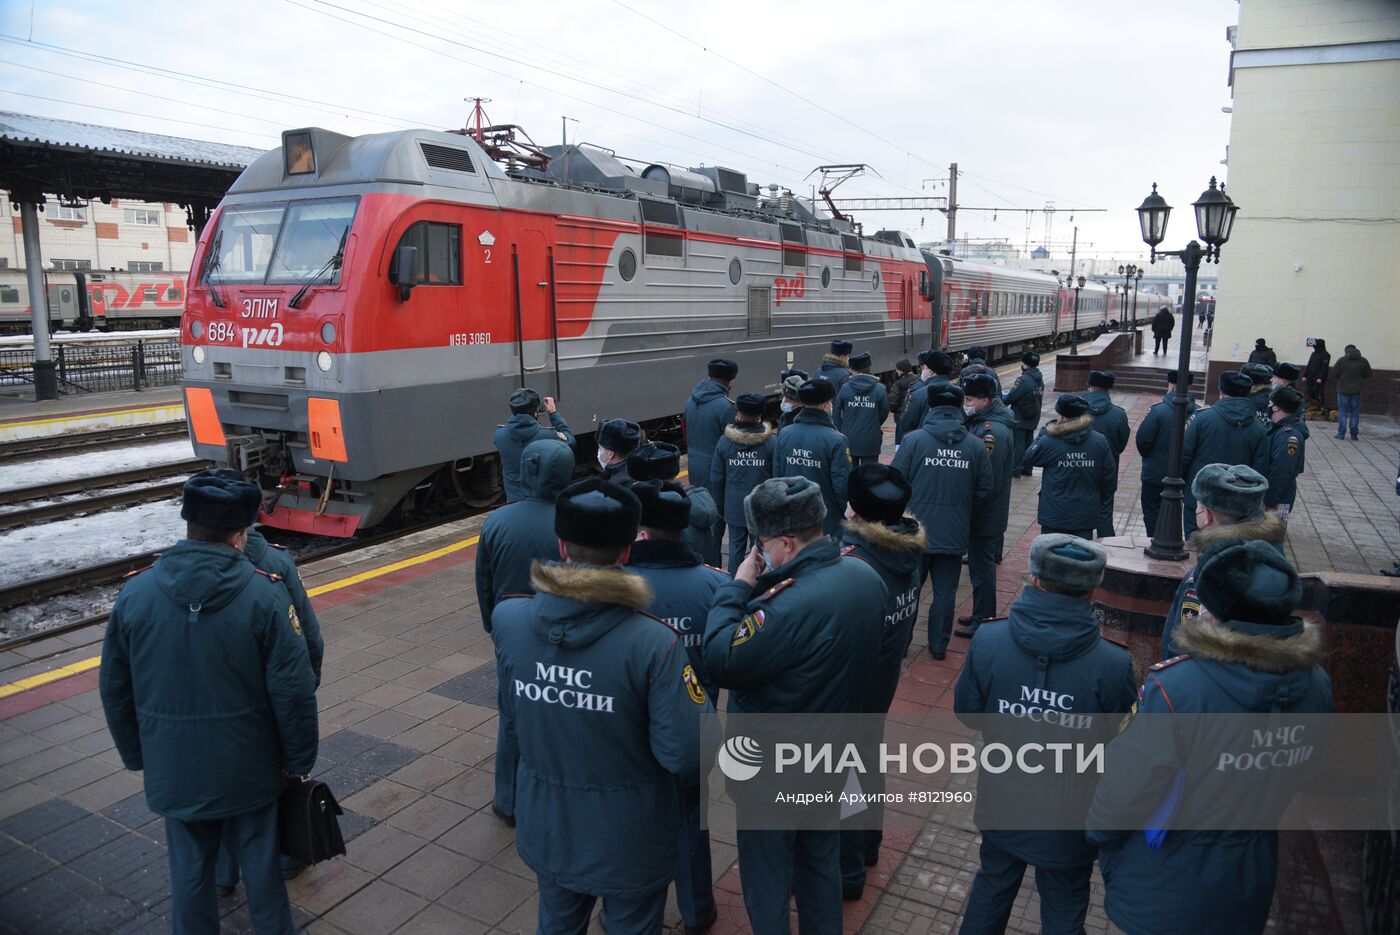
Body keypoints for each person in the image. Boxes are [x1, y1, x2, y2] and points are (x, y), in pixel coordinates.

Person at [100, 470, 318, 935]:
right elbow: (293, 689)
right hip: (250, 768)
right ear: (240, 535)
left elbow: (115, 688)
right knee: (262, 871)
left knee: (189, 873)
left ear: (189, 526)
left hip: (173, 768)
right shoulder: (266, 594)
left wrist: (138, 755)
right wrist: (298, 759)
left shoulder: (135, 594)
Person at [491, 478, 704, 935]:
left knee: (557, 923)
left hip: (548, 824)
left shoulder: (509, 620)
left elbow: (513, 712)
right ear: (627, 551)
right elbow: (686, 753)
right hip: (632, 836)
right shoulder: (656, 643)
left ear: (562, 546)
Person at [1090, 540, 1332, 935]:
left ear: (1217, 611)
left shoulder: (1179, 686)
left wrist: (1101, 840)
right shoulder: (1317, 685)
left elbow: (1124, 789)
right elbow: (1302, 777)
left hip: (1167, 879)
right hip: (1250, 876)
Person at [703, 477, 884, 935]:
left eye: (761, 543)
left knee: (766, 881)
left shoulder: (783, 606)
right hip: (832, 757)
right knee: (818, 867)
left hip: (771, 773)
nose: (758, 552)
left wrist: (738, 588)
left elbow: (721, 659)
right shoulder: (864, 576)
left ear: (785, 541)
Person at [955, 535, 1136, 935]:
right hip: (1070, 812)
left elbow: (968, 713)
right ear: (1092, 588)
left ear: (1034, 578)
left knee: (991, 888)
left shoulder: (989, 639)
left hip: (1003, 796)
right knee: (1065, 905)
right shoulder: (1113, 662)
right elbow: (1118, 739)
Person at [626, 480, 729, 935]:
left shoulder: (622, 585)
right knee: (692, 816)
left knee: (632, 820)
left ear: (640, 533)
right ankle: (698, 907)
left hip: (630, 728)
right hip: (694, 724)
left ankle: (629, 909)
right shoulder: (714, 583)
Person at [213, 472, 324, 892]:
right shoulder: (275, 564)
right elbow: (309, 641)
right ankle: (283, 859)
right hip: (264, 708)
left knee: (218, 790)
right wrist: (305, 689)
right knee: (275, 782)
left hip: (211, 713)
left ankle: (223, 875)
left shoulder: (163, 581)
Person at [475, 438, 575, 826]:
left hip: (510, 633)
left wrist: (493, 625)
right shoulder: (570, 521)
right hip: (563, 631)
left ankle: (509, 800)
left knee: (513, 715)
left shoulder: (497, 521)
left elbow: (483, 582)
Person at [837, 464, 925, 898]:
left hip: (849, 690)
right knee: (867, 760)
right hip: (882, 678)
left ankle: (848, 871)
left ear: (853, 512)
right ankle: (869, 844)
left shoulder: (853, 566)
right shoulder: (908, 550)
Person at [891, 382, 992, 659]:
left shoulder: (914, 441)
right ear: (960, 407)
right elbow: (984, 490)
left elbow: (895, 484)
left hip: (915, 532)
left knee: (909, 591)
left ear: (931, 407)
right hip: (955, 531)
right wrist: (965, 513)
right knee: (945, 593)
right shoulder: (976, 446)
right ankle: (938, 646)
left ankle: (902, 644)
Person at [1160, 463, 1284, 659]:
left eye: (1198, 507)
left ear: (1207, 516)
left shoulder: (1209, 577)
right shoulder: (1276, 564)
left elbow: (1178, 646)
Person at [954, 372, 1015, 639]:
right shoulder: (981, 422)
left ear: (985, 400)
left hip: (985, 515)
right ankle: (980, 612)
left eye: (969, 398)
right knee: (980, 569)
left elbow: (987, 481)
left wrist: (971, 511)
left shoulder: (992, 432)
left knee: (983, 569)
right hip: (983, 514)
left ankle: (984, 617)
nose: (965, 403)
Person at [1181, 372, 1270, 538]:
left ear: (1221, 391)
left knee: (1194, 543)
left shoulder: (1202, 418)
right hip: (1238, 503)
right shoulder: (1258, 427)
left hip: (1201, 498)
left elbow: (1184, 456)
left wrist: (1181, 484)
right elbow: (1260, 469)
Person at [1023, 394, 1117, 541]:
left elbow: (1029, 458)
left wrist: (1043, 432)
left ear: (1061, 417)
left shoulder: (1048, 441)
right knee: (1080, 558)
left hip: (1054, 514)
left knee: (1051, 558)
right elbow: (1109, 480)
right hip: (1085, 516)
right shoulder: (1100, 441)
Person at [774, 377, 852, 539]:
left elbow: (777, 475)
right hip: (825, 518)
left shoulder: (785, 434)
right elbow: (841, 484)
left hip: (792, 510)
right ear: (825, 405)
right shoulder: (837, 440)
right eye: (830, 402)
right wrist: (846, 513)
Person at [711, 392, 778, 573]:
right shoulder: (771, 443)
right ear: (760, 416)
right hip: (762, 507)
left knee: (736, 550)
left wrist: (719, 505)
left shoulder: (724, 442)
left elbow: (717, 477)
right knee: (762, 549)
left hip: (734, 506)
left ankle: (734, 583)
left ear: (738, 414)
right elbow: (777, 477)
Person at [628, 441, 720, 565]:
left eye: (637, 481)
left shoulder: (662, 518)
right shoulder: (699, 503)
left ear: (651, 483)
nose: (634, 484)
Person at [1135, 371, 1198, 539]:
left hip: (1155, 474)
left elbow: (1142, 441)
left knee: (1152, 511)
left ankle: (1154, 540)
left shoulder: (1158, 411)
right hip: (1184, 476)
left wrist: (1150, 458)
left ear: (1171, 385)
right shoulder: (1198, 414)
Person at [493, 388, 576, 502]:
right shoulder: (548, 435)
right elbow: (570, 439)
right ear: (536, 412)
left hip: (513, 500)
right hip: (539, 502)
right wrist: (553, 413)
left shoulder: (499, 435)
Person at [1083, 371, 1127, 537]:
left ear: (1089, 386)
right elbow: (1121, 444)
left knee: (1081, 512)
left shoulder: (1078, 411)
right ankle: (1107, 549)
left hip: (1081, 468)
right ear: (1109, 389)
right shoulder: (1119, 414)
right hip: (1108, 470)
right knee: (1105, 511)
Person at [683, 358, 738, 493]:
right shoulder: (726, 407)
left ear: (709, 377)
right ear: (730, 382)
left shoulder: (691, 400)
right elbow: (735, 445)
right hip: (716, 470)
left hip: (694, 465)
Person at [833, 351, 889, 466]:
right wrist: (873, 424)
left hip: (848, 437)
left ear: (853, 369)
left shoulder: (845, 388)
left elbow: (836, 413)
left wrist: (842, 429)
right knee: (870, 475)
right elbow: (884, 412)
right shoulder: (880, 389)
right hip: (871, 439)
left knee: (849, 474)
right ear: (869, 367)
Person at [1264, 386, 1308, 522]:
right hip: (1279, 493)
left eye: (1270, 404)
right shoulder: (1279, 429)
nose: (1268, 406)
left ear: (1276, 407)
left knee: (1275, 531)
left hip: (1280, 497)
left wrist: (1269, 500)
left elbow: (1282, 470)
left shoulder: (1289, 436)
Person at [896, 350, 954, 445]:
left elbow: (906, 423)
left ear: (931, 372)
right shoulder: (959, 393)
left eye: (924, 368)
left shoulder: (918, 394)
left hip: (923, 444)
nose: (922, 371)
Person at [1003, 352, 1044, 477]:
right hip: (1033, 415)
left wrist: (1003, 399)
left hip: (1021, 416)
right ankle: (1028, 468)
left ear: (1025, 365)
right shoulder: (1039, 379)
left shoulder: (1023, 379)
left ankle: (1016, 469)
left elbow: (1011, 397)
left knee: (1018, 443)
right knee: (1029, 442)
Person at [1331, 343, 1372, 440]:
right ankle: (1354, 434)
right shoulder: (1363, 361)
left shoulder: (1341, 360)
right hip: (1357, 390)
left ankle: (1341, 433)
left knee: (1343, 412)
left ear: (1346, 351)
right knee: (1355, 412)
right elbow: (1368, 373)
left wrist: (1342, 379)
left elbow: (1334, 373)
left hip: (1343, 389)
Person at [596, 418, 642, 484]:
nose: (599, 452)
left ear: (610, 454)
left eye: (600, 448)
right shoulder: (642, 470)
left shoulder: (615, 485)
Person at [1304, 339, 1330, 408]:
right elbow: (1309, 365)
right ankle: (1310, 408)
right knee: (1309, 393)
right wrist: (1305, 375)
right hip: (1310, 377)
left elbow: (1324, 367)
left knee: (1318, 393)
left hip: (1318, 378)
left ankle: (1319, 408)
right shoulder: (1313, 354)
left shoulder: (1326, 355)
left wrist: (1320, 377)